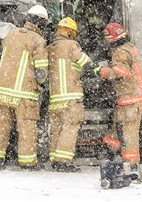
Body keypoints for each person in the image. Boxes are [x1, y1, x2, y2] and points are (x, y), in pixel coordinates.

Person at [0, 4, 50, 170]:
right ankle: (27, 162)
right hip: (24, 94)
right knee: (27, 127)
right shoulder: (38, 40)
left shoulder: (10, 34)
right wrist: (43, 84)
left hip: (0, 91)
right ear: (41, 23)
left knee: (0, 126)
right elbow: (41, 73)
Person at [93, 22, 142, 167]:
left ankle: (131, 164)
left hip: (131, 99)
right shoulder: (129, 48)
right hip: (133, 98)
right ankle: (109, 150)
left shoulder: (120, 52)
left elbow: (121, 73)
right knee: (118, 129)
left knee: (129, 134)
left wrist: (101, 70)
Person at [46, 17, 94, 173]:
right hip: (70, 97)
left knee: (56, 129)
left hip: (55, 99)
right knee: (70, 127)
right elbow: (85, 62)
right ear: (70, 33)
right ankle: (63, 161)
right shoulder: (72, 45)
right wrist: (97, 68)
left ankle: (54, 158)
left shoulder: (50, 48)